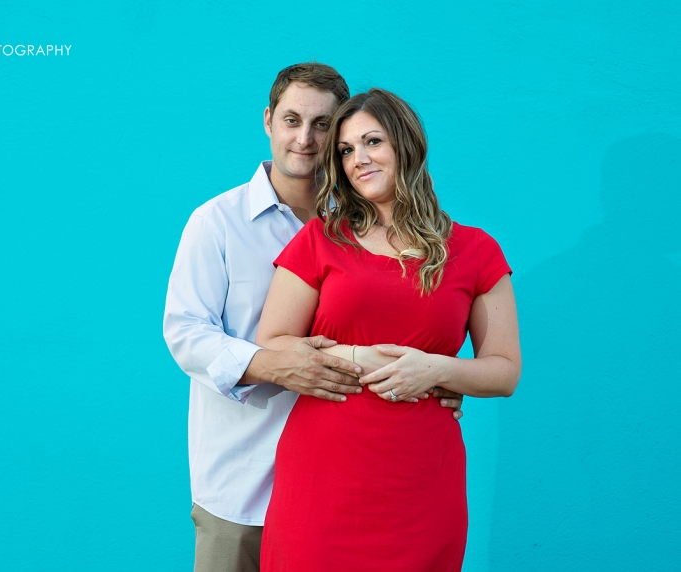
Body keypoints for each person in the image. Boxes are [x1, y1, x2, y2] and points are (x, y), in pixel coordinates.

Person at [163, 67, 464, 572]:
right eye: (291, 120)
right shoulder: (216, 221)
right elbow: (185, 333)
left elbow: (393, 329)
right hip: (243, 479)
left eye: (323, 125)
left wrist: (439, 375)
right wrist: (269, 364)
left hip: (344, 481)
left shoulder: (369, 228)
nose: (305, 138)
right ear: (268, 121)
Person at [255, 88, 521, 571]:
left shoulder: (476, 250)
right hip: (323, 474)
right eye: (346, 150)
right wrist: (358, 359)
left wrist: (435, 369)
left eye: (372, 142)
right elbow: (271, 344)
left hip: (421, 481)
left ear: (405, 145)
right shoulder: (321, 239)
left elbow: (504, 371)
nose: (358, 159)